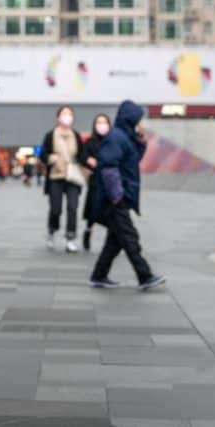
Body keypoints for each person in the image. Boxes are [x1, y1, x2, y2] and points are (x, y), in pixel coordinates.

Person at [88, 100, 166, 291]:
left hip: (118, 198)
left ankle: (98, 275)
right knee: (130, 237)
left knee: (115, 241)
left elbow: (130, 162)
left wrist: (140, 143)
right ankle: (145, 276)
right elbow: (108, 167)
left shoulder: (124, 137)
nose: (140, 124)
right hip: (114, 200)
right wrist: (117, 196)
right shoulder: (116, 137)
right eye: (137, 120)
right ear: (130, 119)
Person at [39, 106, 84, 253]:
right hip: (55, 176)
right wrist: (52, 158)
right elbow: (43, 154)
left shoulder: (76, 135)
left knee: (72, 207)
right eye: (64, 114)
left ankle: (70, 238)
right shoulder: (50, 135)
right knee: (56, 208)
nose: (67, 117)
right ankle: (51, 231)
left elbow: (82, 154)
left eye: (70, 114)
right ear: (58, 118)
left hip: (72, 176)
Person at [79, 113, 112, 252]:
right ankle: (88, 231)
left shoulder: (112, 141)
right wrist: (88, 161)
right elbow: (82, 156)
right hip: (95, 181)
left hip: (110, 181)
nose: (101, 125)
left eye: (104, 122)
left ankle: (111, 238)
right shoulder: (90, 142)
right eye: (99, 122)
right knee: (93, 210)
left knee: (111, 211)